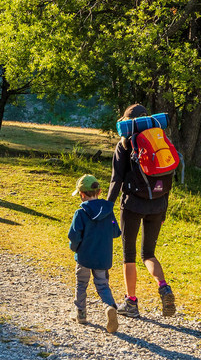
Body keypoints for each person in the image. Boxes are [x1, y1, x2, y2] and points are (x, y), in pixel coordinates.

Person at [106, 103, 177, 318]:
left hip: (132, 205)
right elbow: (169, 176)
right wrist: (163, 210)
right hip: (158, 203)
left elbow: (116, 179)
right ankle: (164, 287)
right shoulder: (161, 140)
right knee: (148, 254)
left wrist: (107, 207)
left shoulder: (125, 144)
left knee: (129, 255)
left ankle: (131, 302)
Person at [67, 174, 121, 332]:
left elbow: (74, 236)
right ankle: (109, 307)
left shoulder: (80, 213)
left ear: (82, 194)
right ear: (100, 191)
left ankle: (81, 314)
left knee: (81, 284)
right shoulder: (108, 212)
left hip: (84, 257)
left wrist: (74, 248)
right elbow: (116, 231)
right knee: (103, 285)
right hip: (102, 258)